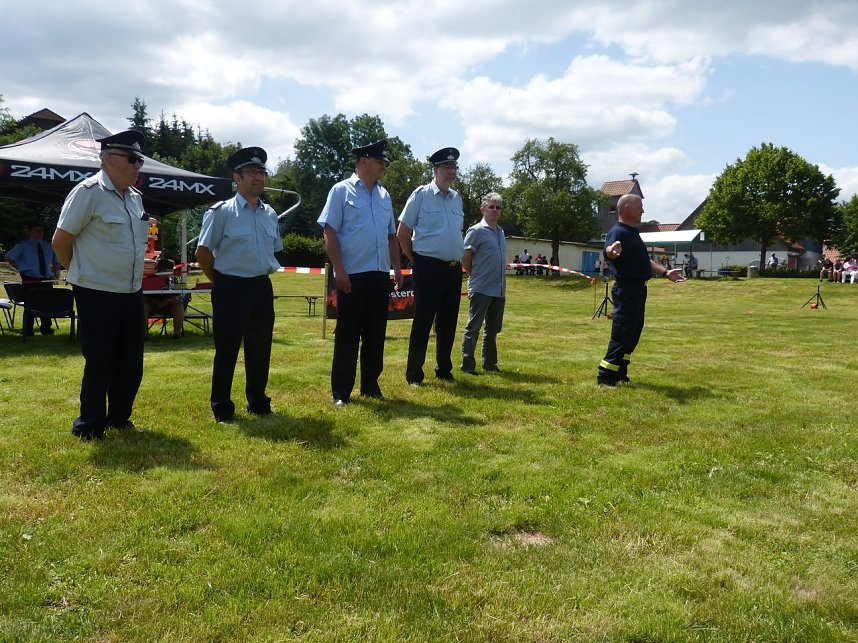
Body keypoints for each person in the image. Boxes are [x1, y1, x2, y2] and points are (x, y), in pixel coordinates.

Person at [51, 130, 149, 439]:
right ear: (108, 160)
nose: (138, 166)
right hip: (96, 292)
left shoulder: (135, 198)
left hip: (131, 291)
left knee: (131, 363)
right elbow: (61, 241)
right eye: (132, 160)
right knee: (100, 361)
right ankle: (90, 425)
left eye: (140, 161)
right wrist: (83, 274)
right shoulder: (88, 192)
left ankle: (119, 418)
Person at [195, 147, 283, 423]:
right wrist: (220, 282)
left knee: (260, 348)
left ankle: (258, 401)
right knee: (228, 350)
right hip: (230, 287)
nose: (259, 178)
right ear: (237, 177)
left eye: (262, 173)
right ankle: (221, 406)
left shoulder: (270, 214)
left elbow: (275, 250)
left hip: (260, 287)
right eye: (252, 173)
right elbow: (203, 252)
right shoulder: (222, 212)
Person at [317, 140, 403, 406]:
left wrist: (397, 269)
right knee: (348, 335)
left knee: (376, 334)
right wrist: (339, 271)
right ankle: (341, 392)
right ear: (364, 161)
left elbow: (391, 236)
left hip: (379, 275)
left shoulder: (384, 195)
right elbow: (329, 232)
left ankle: (370, 385)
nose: (383, 166)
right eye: (380, 161)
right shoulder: (341, 191)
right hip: (352, 276)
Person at [597, 194, 685, 387]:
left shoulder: (633, 233)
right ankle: (605, 376)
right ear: (627, 207)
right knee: (622, 333)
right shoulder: (617, 232)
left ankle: (620, 372)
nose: (643, 211)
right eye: (640, 207)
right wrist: (611, 252)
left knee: (633, 334)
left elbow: (645, 261)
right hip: (626, 289)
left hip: (638, 290)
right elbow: (609, 251)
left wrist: (665, 272)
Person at [396, 146, 465, 385]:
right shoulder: (421, 195)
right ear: (435, 170)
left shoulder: (457, 199)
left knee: (448, 322)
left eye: (454, 167)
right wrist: (415, 259)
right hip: (428, 267)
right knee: (423, 321)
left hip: (453, 268)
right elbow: (402, 232)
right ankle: (414, 374)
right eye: (446, 167)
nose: (451, 171)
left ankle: (444, 369)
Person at [460, 192, 507, 374]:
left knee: (492, 330)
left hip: (499, 289)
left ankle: (490, 364)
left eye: (498, 207)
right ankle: (468, 365)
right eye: (491, 207)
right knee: (473, 328)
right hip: (481, 288)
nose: (495, 210)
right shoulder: (476, 231)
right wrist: (474, 275)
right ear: (483, 209)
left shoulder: (501, 232)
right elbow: (466, 257)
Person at [5, 221, 61, 336]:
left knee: (46, 304)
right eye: (36, 231)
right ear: (29, 232)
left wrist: (55, 272)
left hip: (45, 279)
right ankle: (27, 329)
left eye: (41, 231)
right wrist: (20, 268)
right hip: (30, 279)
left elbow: (57, 261)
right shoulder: (22, 246)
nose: (39, 233)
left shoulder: (48, 245)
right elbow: (9, 257)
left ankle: (46, 328)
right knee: (30, 304)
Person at [143, 256, 184, 339]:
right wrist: (157, 302)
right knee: (144, 307)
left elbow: (178, 294)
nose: (172, 272)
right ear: (163, 270)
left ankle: (177, 334)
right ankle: (144, 334)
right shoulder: (149, 279)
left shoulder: (173, 279)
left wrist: (165, 302)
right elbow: (144, 297)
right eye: (170, 270)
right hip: (152, 305)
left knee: (179, 306)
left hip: (168, 306)